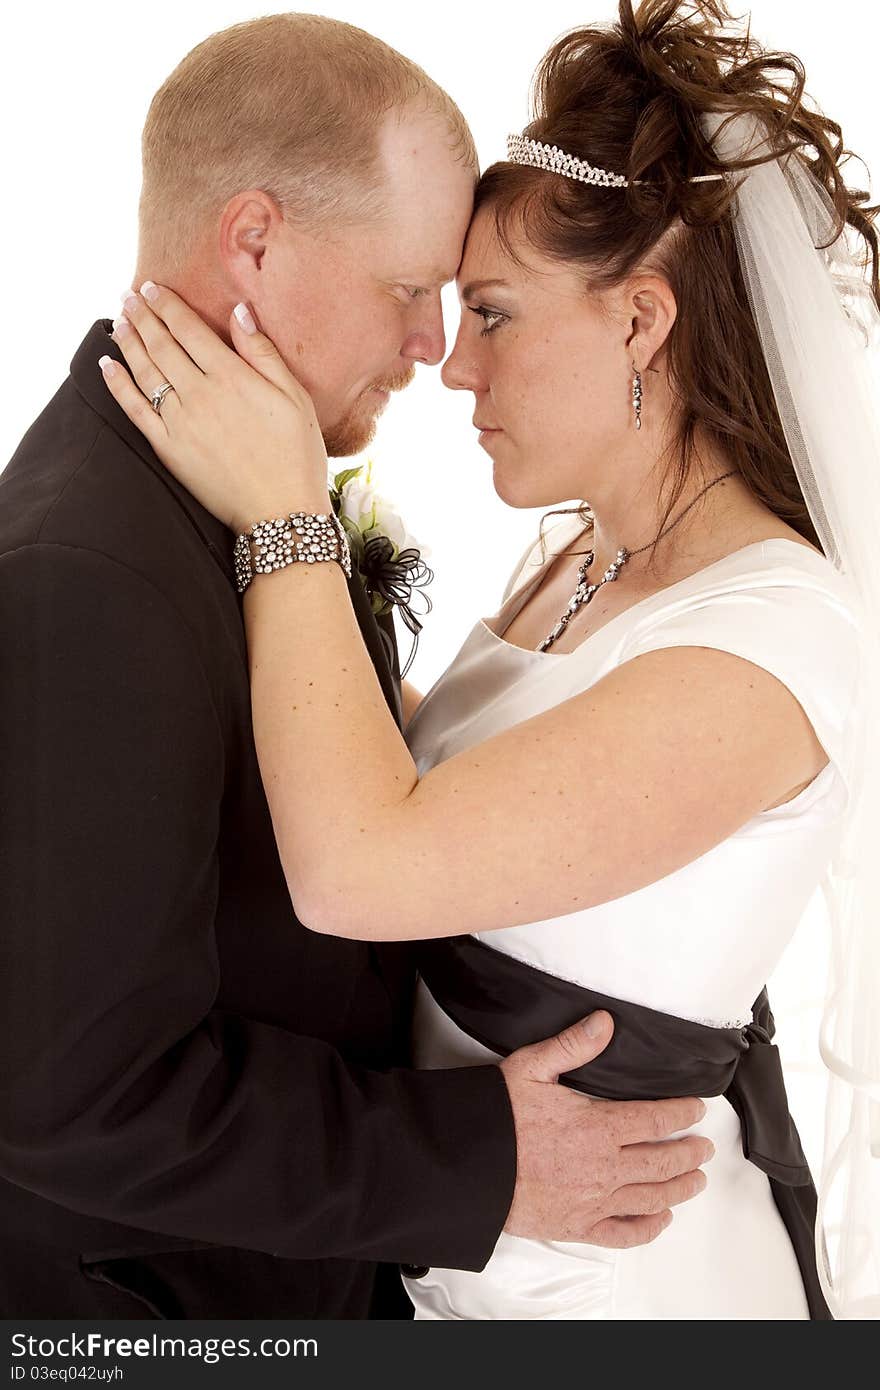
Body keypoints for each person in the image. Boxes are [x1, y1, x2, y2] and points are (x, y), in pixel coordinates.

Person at [100, 0, 880, 1320]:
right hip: (455, 1256)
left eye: (495, 313)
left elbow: (364, 863)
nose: (451, 364)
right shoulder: (576, 561)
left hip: (629, 1296)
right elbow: (446, 776)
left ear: (640, 322)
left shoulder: (771, 641)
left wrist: (288, 513)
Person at [0, 13, 712, 1321]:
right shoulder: (79, 575)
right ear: (256, 241)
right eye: (407, 289)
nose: (433, 345)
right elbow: (72, 1094)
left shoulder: (244, 502)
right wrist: (476, 1157)